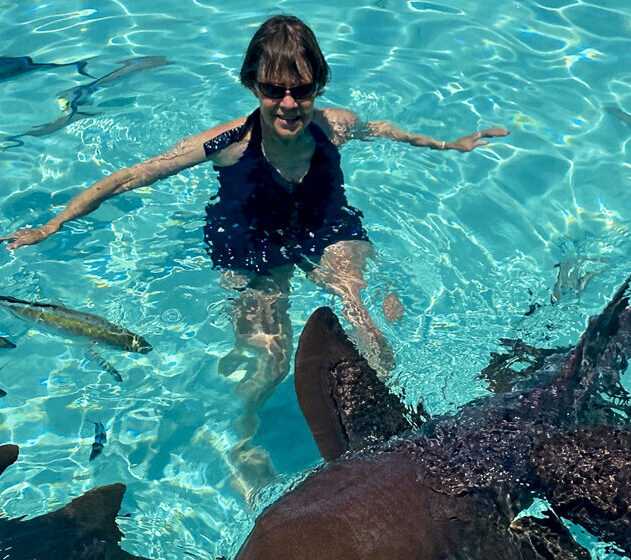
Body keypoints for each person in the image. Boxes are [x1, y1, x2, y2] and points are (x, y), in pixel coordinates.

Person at [0, 15, 510, 493]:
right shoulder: (226, 143)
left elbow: (384, 130)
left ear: (319, 86)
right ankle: (240, 441)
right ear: (253, 86)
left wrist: (449, 146)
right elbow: (130, 176)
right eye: (273, 90)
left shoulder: (335, 125)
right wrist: (55, 223)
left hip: (322, 223)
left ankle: (393, 431)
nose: (289, 104)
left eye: (302, 90)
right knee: (268, 360)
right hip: (249, 241)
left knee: (373, 321)